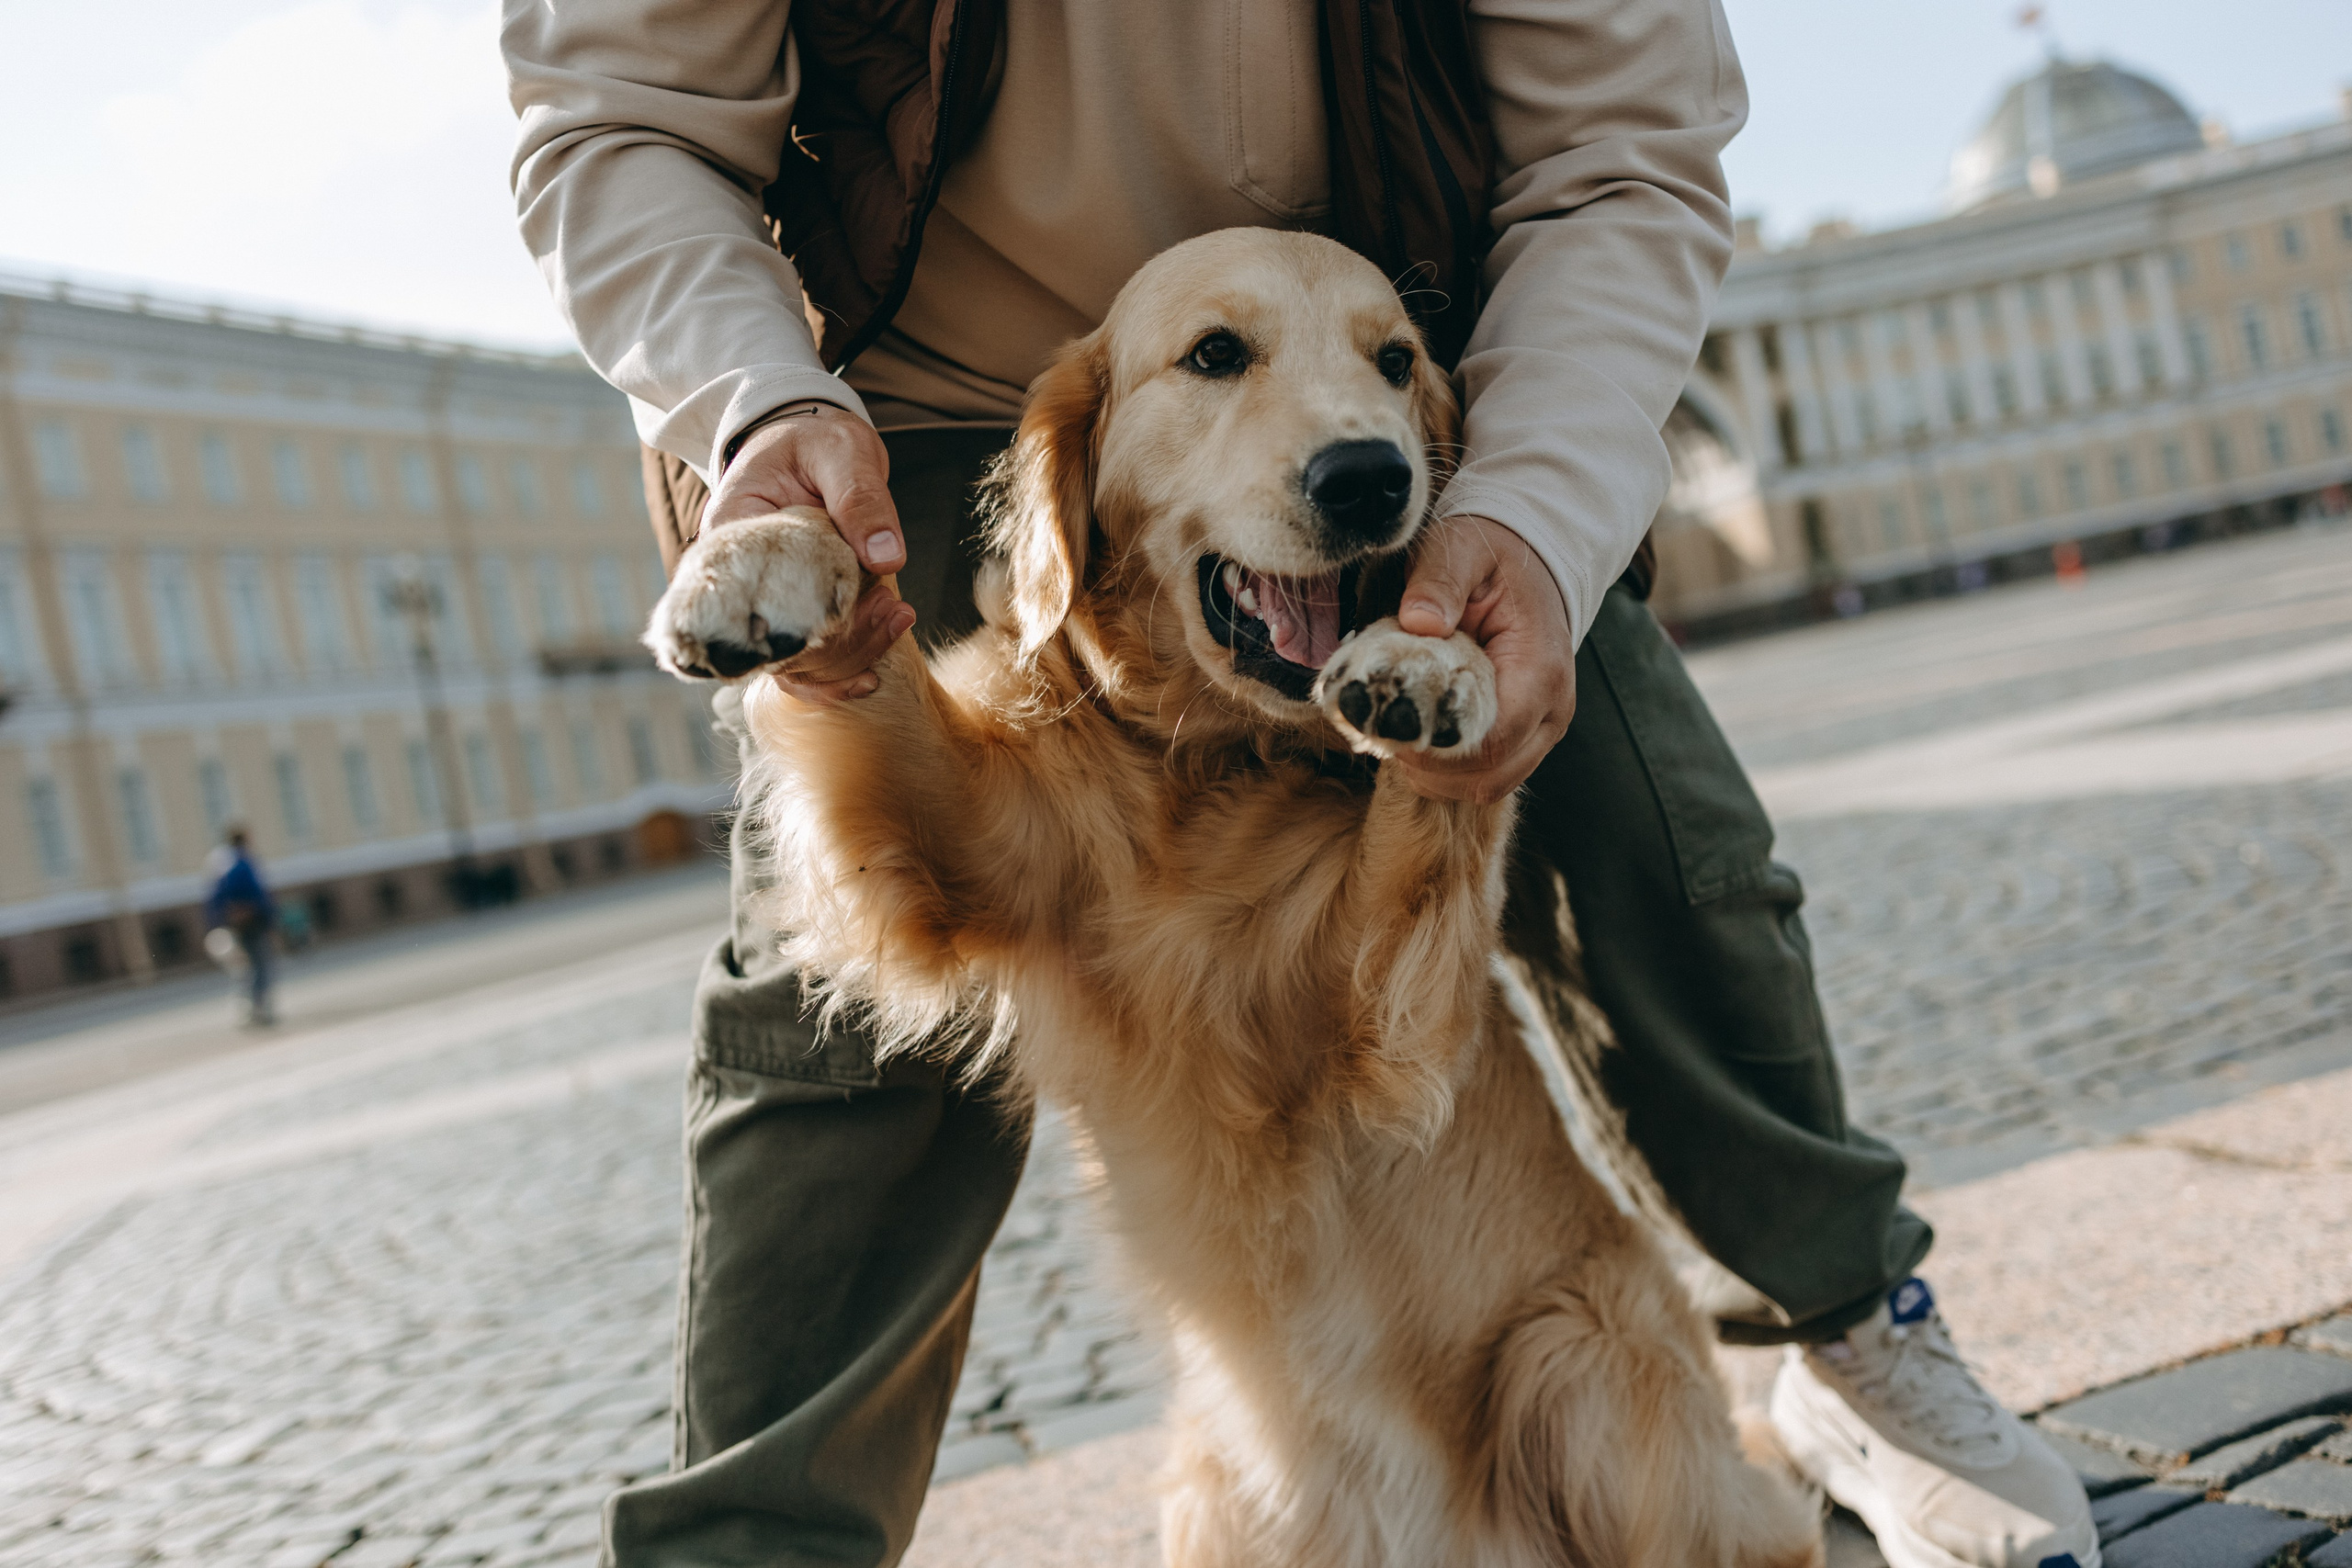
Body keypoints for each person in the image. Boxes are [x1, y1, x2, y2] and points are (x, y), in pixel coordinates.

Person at [505, 5, 2099, 1565]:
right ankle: (742, 1550)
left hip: (1398, 384)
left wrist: (1533, 522)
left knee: (1657, 831)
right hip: (907, 396)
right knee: (818, 1042)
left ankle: (1850, 1329)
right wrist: (760, 413)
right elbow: (617, 111)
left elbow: (1623, 149)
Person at [203, 827, 277, 1027]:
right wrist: (269, 919)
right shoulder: (242, 864)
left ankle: (250, 1008)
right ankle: (258, 1008)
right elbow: (258, 895)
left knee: (246, 967)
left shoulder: (224, 863)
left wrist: (217, 922)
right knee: (259, 966)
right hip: (252, 922)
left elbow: (215, 899)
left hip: (239, 924)